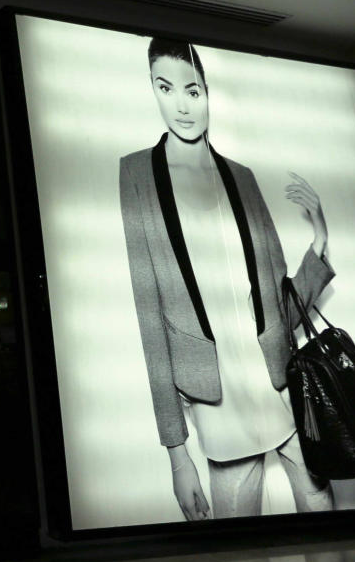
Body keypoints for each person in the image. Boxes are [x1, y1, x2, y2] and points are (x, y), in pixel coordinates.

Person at [119, 38, 334, 521]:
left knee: (324, 511)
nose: (181, 105)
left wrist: (319, 240)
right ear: (152, 90)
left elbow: (284, 304)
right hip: (216, 401)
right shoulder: (137, 175)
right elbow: (150, 318)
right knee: (239, 552)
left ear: (209, 94)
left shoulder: (242, 177)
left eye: (193, 90)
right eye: (165, 87)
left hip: (279, 382)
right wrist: (178, 456)